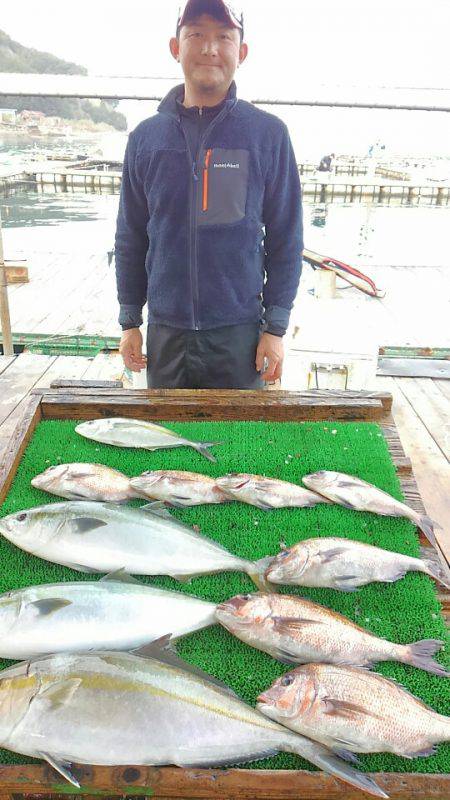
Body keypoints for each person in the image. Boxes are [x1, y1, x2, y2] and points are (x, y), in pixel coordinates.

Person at [115, 0, 303, 389]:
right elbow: (130, 235)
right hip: (166, 334)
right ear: (175, 47)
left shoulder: (268, 135)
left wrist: (276, 327)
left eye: (223, 37)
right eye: (196, 34)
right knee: (165, 443)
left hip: (239, 335)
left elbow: (287, 237)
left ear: (242, 52)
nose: (210, 48)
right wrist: (130, 320)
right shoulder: (145, 139)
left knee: (242, 444)